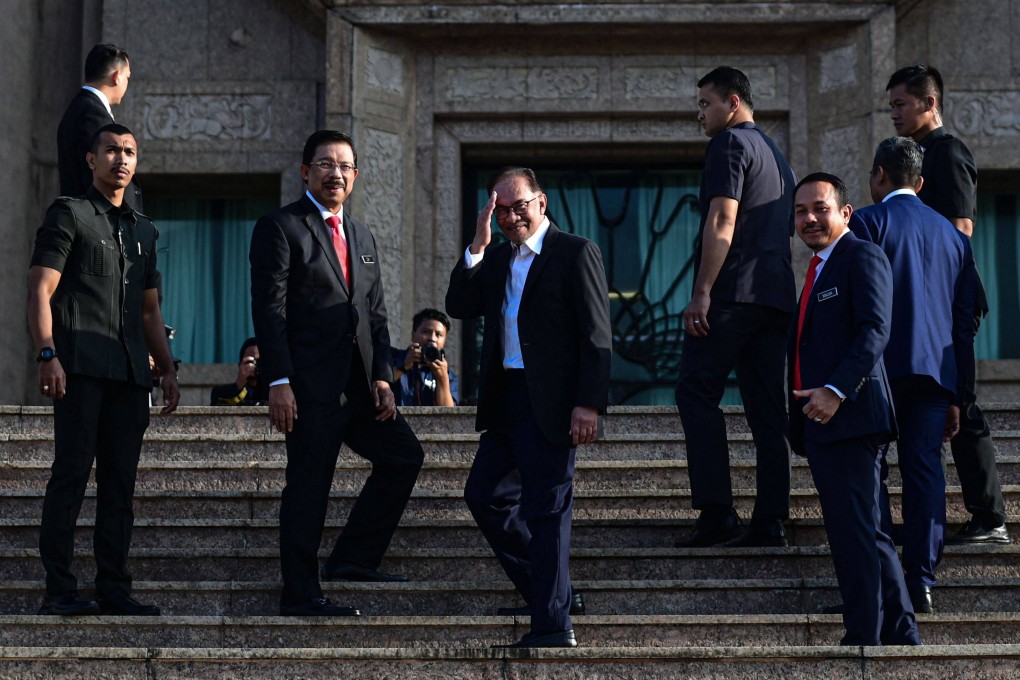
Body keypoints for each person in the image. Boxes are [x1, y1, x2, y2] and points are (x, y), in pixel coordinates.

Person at [249, 130, 424, 617]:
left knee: (405, 457)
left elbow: (376, 312)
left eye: (345, 166)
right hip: (308, 387)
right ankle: (300, 592)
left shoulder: (363, 235)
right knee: (309, 486)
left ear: (355, 175)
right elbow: (270, 311)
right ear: (306, 172)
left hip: (362, 387)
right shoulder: (281, 227)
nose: (336, 174)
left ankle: (353, 558)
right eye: (325, 164)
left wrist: (384, 377)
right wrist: (279, 381)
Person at [446, 166, 611, 648]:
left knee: (548, 510)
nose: (513, 215)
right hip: (507, 399)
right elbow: (458, 303)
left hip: (556, 404)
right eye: (502, 209)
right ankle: (549, 592)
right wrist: (477, 245)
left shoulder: (576, 252)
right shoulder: (496, 258)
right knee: (484, 495)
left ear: (541, 202)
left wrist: (589, 403)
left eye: (521, 205)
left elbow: (596, 334)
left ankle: (553, 625)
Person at [28, 123, 179, 616]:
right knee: (70, 477)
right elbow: (40, 292)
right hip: (79, 370)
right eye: (112, 150)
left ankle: (114, 586)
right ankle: (60, 589)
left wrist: (169, 370)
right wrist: (48, 354)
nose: (122, 159)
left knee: (121, 486)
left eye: (130, 152)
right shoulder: (68, 214)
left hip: (132, 376)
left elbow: (150, 311)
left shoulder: (144, 229)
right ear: (91, 159)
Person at [790, 172, 920, 646]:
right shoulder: (817, 268)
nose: (809, 218)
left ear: (845, 213)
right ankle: (900, 631)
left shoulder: (859, 254)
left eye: (820, 208)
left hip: (852, 417)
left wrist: (834, 391)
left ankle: (866, 635)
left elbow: (874, 331)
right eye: (801, 211)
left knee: (858, 533)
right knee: (863, 531)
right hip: (822, 425)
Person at [850, 136, 976, 613]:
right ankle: (922, 577)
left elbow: (858, 304)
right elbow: (964, 321)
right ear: (920, 183)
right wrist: (959, 393)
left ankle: (886, 578)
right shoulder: (952, 235)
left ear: (879, 175)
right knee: (925, 471)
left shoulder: (864, 221)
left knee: (874, 468)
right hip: (936, 373)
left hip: (879, 370)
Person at [674, 66, 797, 548]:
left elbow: (723, 220)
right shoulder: (776, 154)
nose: (699, 113)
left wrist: (702, 290)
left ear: (732, 102)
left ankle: (717, 512)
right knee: (769, 411)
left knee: (694, 392)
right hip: (775, 298)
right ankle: (770, 520)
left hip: (733, 294)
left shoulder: (728, 145)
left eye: (706, 103)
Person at [887, 64, 1008, 545]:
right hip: (931, 298)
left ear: (929, 104)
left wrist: (935, 300)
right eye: (891, 105)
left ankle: (991, 517)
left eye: (901, 104)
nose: (893, 113)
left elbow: (961, 231)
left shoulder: (947, 152)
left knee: (964, 403)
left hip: (950, 297)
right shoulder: (916, 155)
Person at [57, 44, 143, 211]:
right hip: (97, 225)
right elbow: (103, 179)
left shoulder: (81, 107)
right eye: (127, 77)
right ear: (117, 76)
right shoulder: (92, 113)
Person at [391, 308, 459, 406]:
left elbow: (448, 415)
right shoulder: (393, 358)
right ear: (413, 335)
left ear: (444, 341)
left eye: (438, 334)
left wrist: (442, 378)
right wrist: (403, 367)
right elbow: (375, 388)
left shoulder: (448, 374)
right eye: (426, 332)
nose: (432, 338)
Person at [210, 337, 269, 405]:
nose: (254, 365)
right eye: (250, 361)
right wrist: (239, 384)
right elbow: (218, 411)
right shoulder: (220, 392)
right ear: (240, 365)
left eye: (258, 361)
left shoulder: (273, 391)